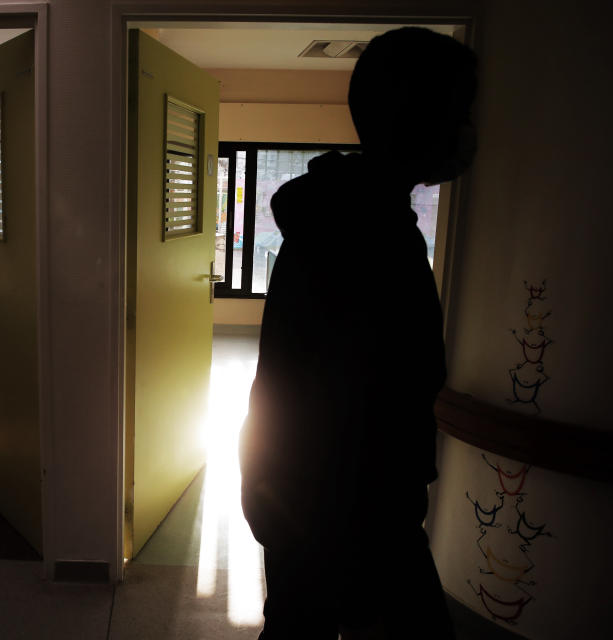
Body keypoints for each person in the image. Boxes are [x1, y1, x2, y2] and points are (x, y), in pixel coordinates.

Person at [239, 27, 478, 639]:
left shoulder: (350, 217)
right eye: (461, 112)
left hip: (322, 507)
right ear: (419, 120)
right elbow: (342, 399)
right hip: (344, 513)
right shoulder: (365, 236)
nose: (471, 132)